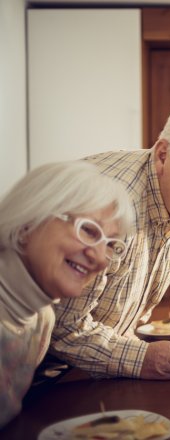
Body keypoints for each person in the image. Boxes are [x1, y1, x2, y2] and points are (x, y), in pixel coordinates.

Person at [49, 98, 170, 380]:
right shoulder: (105, 206)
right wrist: (141, 357)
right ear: (163, 155)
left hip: (95, 375)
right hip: (38, 378)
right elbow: (61, 327)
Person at [0, 161, 134, 427]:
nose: (98, 257)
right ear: (28, 222)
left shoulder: (40, 320)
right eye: (87, 230)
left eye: (111, 244)